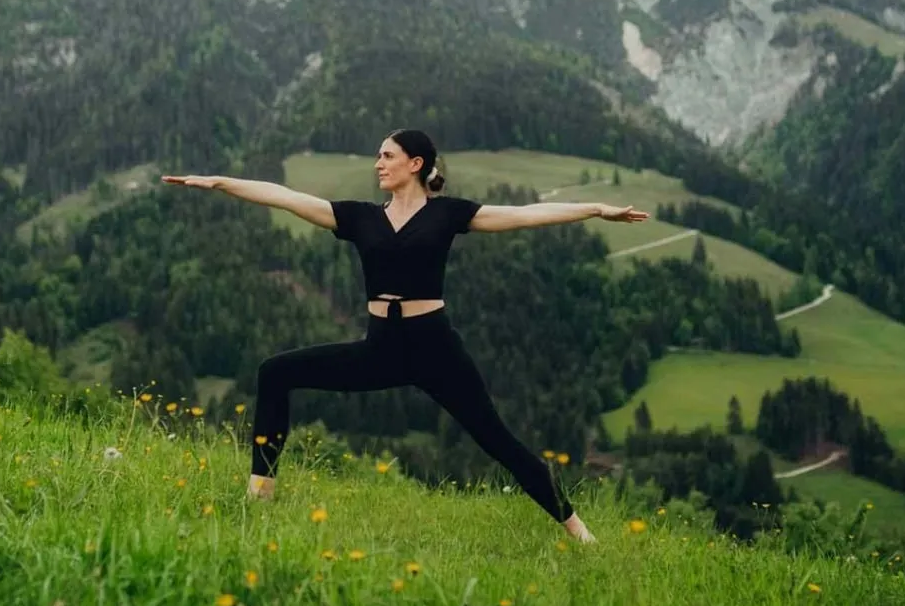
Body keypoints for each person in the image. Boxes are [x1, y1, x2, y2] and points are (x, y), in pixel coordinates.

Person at [161, 128, 649, 544]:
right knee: (276, 372)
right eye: (378, 156)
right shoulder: (360, 218)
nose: (379, 164)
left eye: (387, 156)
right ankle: (259, 498)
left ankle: (580, 534)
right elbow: (287, 198)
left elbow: (523, 215)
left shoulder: (448, 214)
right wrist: (221, 183)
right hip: (381, 348)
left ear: (416, 164)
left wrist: (594, 209)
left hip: (435, 348)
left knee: (498, 440)